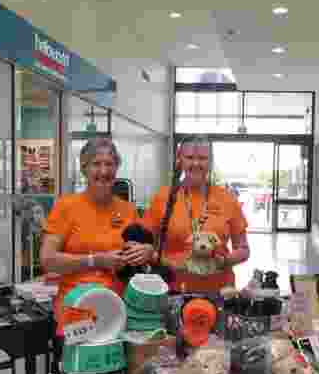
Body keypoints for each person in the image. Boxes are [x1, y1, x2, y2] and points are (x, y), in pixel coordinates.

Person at [40, 138, 154, 336]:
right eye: (96, 164)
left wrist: (147, 253)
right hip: (77, 313)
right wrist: (96, 260)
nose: (103, 171)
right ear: (84, 168)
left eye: (109, 164)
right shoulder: (66, 207)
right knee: (81, 364)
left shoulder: (128, 210)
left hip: (118, 312)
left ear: (117, 168)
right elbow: (48, 260)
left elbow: (140, 263)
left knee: (114, 365)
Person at [142, 136, 250, 293]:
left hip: (220, 291)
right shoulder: (163, 197)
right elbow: (145, 246)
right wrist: (166, 262)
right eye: (190, 157)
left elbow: (243, 249)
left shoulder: (227, 198)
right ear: (180, 159)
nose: (196, 163)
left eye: (203, 158)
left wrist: (223, 262)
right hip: (173, 290)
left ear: (210, 161)